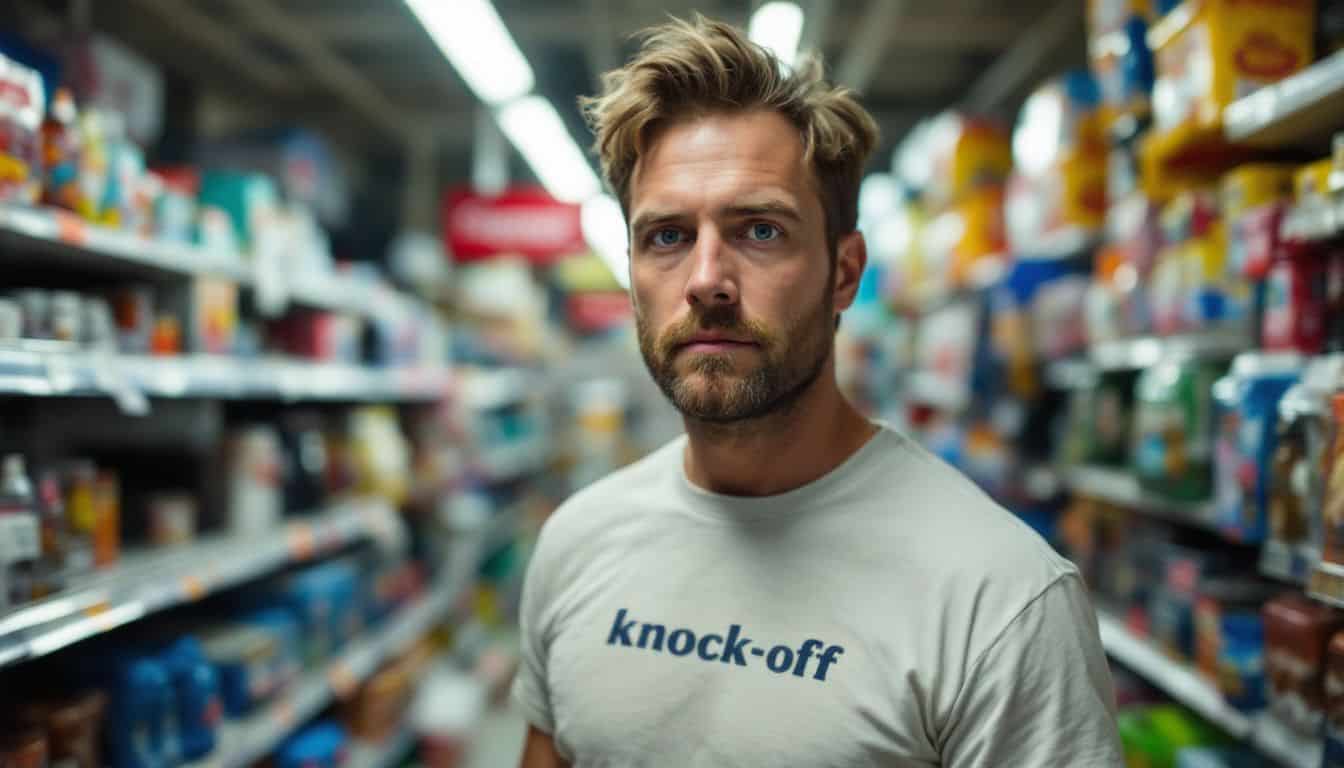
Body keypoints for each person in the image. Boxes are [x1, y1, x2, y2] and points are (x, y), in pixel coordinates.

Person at [514, 14, 1122, 768]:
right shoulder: (577, 544)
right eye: (666, 236)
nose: (706, 280)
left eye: (760, 230)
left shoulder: (999, 599)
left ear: (844, 271)